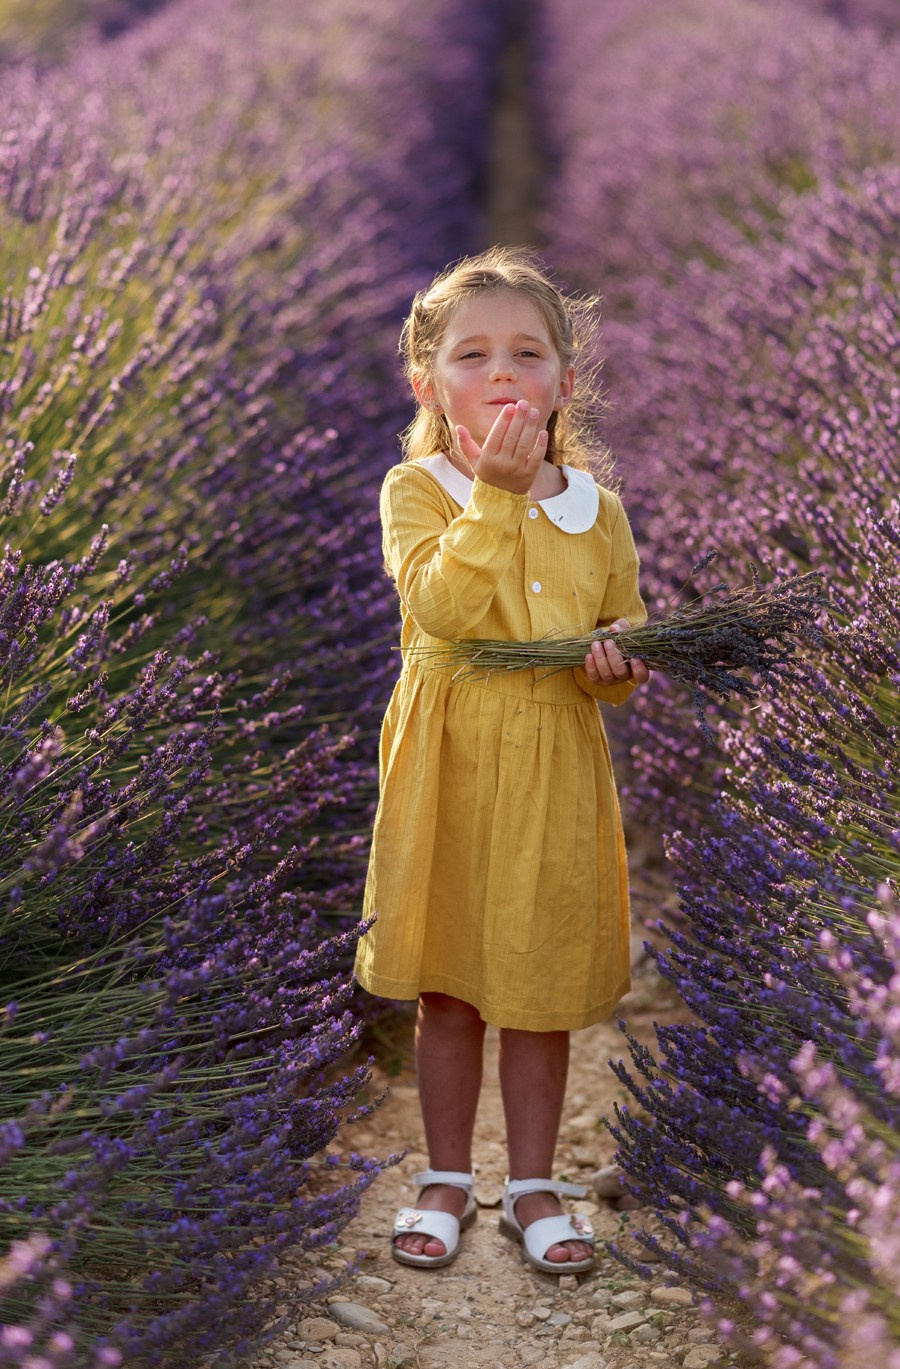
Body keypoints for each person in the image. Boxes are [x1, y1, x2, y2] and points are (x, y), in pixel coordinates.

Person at [354, 245, 650, 1275]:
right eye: (473, 354)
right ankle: (443, 1175)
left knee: (537, 982)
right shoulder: (418, 490)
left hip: (554, 766)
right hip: (451, 762)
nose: (502, 371)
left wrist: (615, 664)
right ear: (429, 382)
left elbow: (623, 634)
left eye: (528, 352)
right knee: (450, 985)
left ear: (566, 380)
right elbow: (439, 605)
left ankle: (532, 1184)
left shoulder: (597, 510)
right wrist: (492, 494)